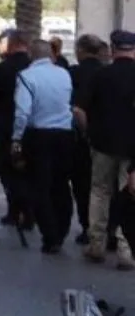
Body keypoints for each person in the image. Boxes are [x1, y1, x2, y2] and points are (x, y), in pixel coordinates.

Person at [13, 39, 76, 254]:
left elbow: (23, 112)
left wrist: (16, 139)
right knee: (61, 185)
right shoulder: (64, 74)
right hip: (64, 134)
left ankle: (50, 236)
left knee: (40, 187)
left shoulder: (27, 76)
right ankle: (62, 229)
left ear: (31, 54)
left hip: (39, 134)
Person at [82, 32, 135, 268]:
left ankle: (97, 244)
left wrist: (89, 133)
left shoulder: (100, 75)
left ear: (113, 49)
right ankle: (126, 250)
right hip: (132, 149)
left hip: (103, 144)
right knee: (130, 197)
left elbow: (79, 109)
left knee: (100, 192)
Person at [0, 32, 33, 226]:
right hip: (28, 125)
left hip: (3, 123)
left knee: (1, 167)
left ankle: (7, 207)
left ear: (12, 45)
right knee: (24, 169)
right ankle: (27, 210)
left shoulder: (1, 69)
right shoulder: (31, 68)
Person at [69, 35, 110, 235]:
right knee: (107, 187)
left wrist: (85, 132)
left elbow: (77, 109)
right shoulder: (106, 73)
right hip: (107, 138)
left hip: (82, 138)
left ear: (81, 51)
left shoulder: (73, 73)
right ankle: (109, 229)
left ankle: (88, 227)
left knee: (84, 185)